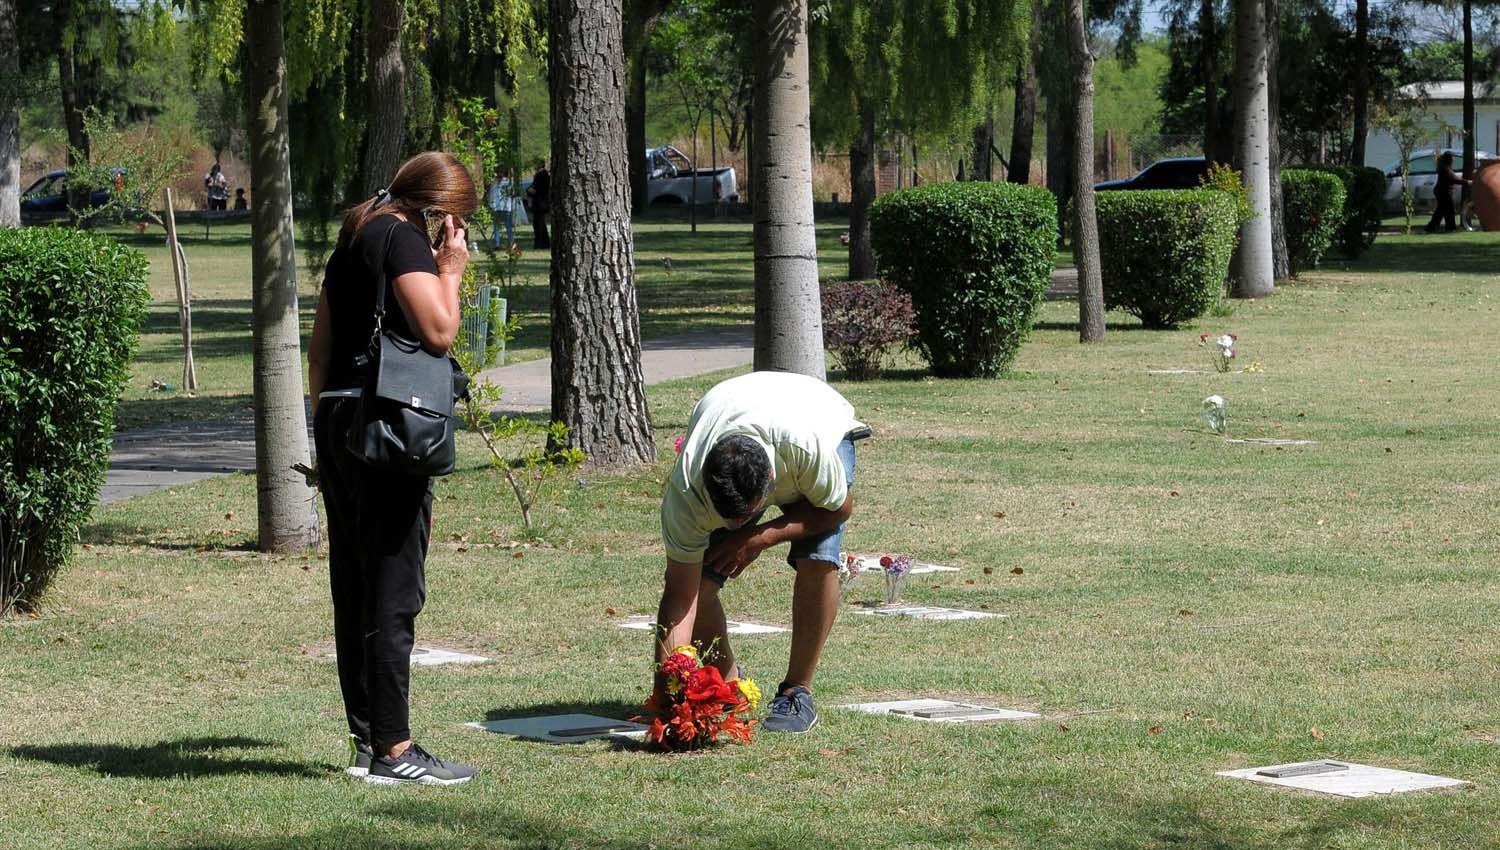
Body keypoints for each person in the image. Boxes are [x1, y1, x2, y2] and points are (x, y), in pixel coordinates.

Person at [306, 151, 478, 786]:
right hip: (388, 431)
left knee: (354, 585)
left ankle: (367, 738)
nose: (452, 234)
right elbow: (439, 329)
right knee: (395, 589)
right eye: (455, 221)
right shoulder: (401, 238)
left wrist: (325, 432)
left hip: (337, 419)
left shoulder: (355, 235)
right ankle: (396, 750)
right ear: (439, 211)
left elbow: (321, 349)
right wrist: (449, 269)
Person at [652, 371, 865, 734]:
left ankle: (797, 692)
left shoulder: (806, 448)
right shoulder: (686, 491)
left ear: (770, 479)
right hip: (744, 412)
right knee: (702, 584)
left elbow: (838, 510)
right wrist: (666, 691)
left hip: (816, 414)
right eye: (726, 519)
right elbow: (680, 595)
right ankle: (729, 686)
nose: (735, 528)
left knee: (817, 558)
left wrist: (759, 536)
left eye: (745, 517)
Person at [1426, 150, 1470, 234]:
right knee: (1449, 210)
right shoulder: (1445, 169)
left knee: (1441, 210)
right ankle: (1450, 227)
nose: (1453, 160)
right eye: (1452, 158)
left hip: (1442, 191)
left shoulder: (1445, 167)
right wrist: (1467, 182)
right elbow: (1454, 179)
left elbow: (1454, 178)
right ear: (1448, 159)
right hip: (1444, 192)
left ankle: (1431, 227)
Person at [524, 160, 550, 249]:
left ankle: (540, 243)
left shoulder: (542, 175)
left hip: (540, 203)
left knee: (539, 224)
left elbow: (539, 188)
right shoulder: (541, 174)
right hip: (539, 202)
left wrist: (531, 191)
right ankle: (544, 243)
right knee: (540, 223)